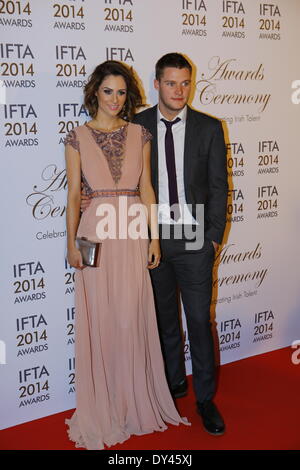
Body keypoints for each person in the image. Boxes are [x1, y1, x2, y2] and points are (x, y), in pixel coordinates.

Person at [64, 60, 189, 450]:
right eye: (107, 91)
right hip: (92, 233)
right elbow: (72, 195)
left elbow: (148, 190)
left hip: (134, 230)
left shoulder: (140, 134)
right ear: (94, 93)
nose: (115, 99)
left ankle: (134, 401)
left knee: (131, 317)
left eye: (121, 92)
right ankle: (105, 406)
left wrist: (153, 238)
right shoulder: (76, 137)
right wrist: (70, 243)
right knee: (100, 318)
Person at [133, 53, 228, 436]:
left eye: (185, 83)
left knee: (199, 322)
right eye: (171, 83)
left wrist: (212, 238)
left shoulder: (208, 127)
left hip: (194, 235)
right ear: (156, 84)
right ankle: (173, 383)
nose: (179, 90)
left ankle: (205, 398)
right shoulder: (136, 125)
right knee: (163, 319)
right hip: (153, 235)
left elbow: (220, 186)